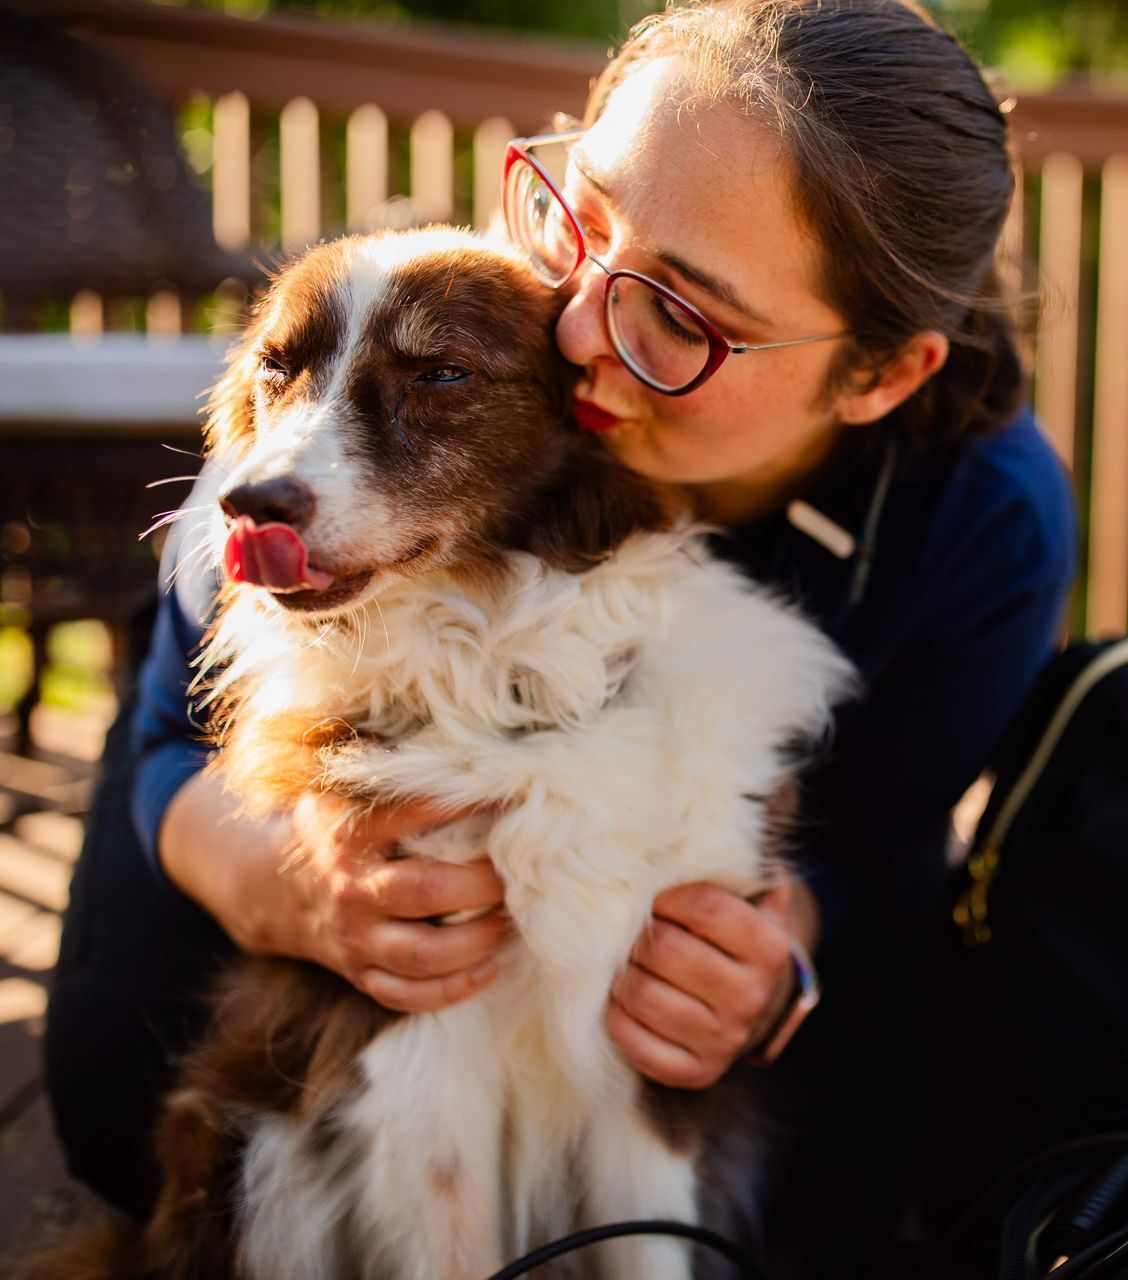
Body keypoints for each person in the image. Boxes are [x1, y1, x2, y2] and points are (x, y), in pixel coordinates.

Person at [46, 0, 1076, 1274]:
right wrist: (289, 881)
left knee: (836, 1178)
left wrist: (779, 947)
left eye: (682, 315)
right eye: (580, 213)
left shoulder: (983, 521)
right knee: (110, 1102)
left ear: (878, 377)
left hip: (640, 1046)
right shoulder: (435, 336)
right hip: (322, 916)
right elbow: (162, 731)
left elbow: (880, 847)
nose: (580, 324)